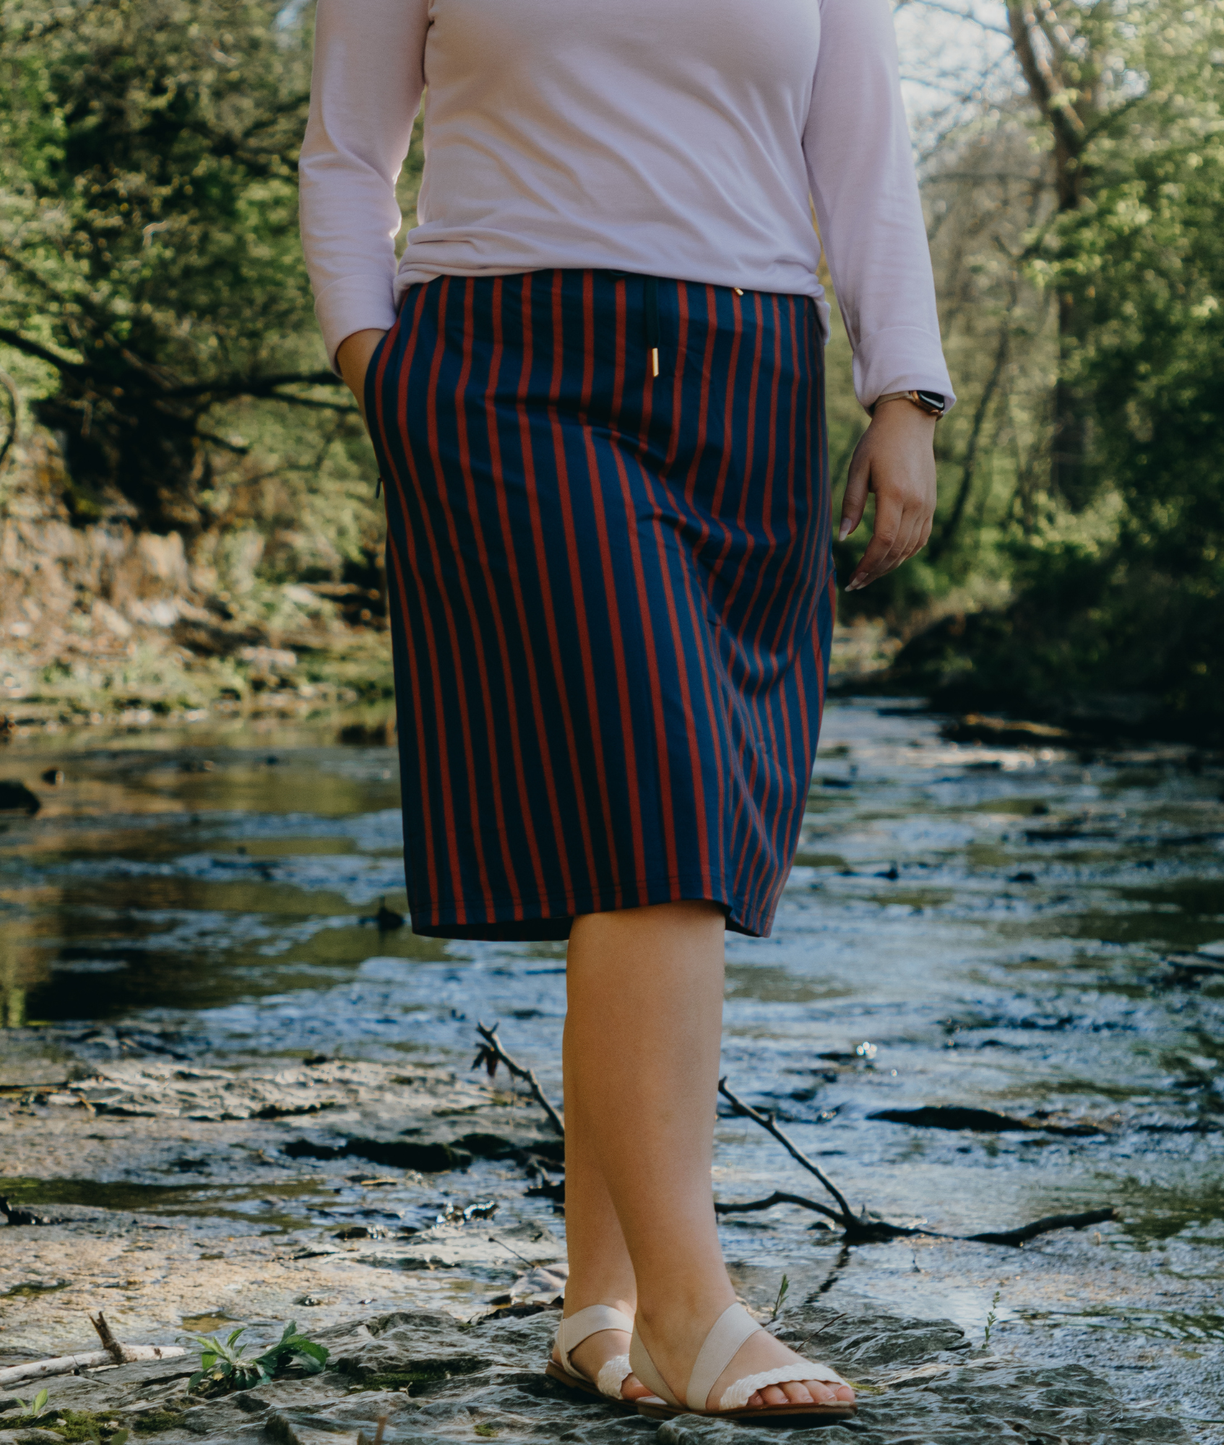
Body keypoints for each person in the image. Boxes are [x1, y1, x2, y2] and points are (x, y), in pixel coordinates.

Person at [299, 0, 952, 1421]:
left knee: (652, 833)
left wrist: (903, 388)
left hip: (751, 381)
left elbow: (864, 152)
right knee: (662, 816)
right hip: (501, 374)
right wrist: (372, 358)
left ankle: (594, 1301)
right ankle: (692, 1310)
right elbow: (349, 151)